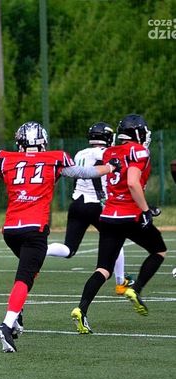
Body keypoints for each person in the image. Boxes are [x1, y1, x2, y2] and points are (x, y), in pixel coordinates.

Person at [0, 121, 119, 352]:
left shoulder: (6, 158)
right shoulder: (54, 158)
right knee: (24, 278)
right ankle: (6, 325)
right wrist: (110, 167)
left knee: (30, 271)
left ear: (19, 142)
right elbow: (84, 173)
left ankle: (17, 315)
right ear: (43, 142)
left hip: (11, 230)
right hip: (34, 229)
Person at [71, 114, 167, 334]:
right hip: (130, 215)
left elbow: (114, 182)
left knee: (103, 269)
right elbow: (132, 182)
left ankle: (81, 309)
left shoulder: (109, 152)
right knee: (159, 251)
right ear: (137, 133)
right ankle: (136, 288)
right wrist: (145, 210)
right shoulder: (139, 151)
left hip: (109, 215)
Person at [46, 122, 132, 295]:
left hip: (77, 203)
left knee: (69, 249)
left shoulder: (80, 153)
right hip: (96, 204)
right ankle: (121, 282)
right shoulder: (105, 153)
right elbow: (97, 173)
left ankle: (41, 250)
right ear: (107, 137)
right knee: (116, 239)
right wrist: (102, 196)